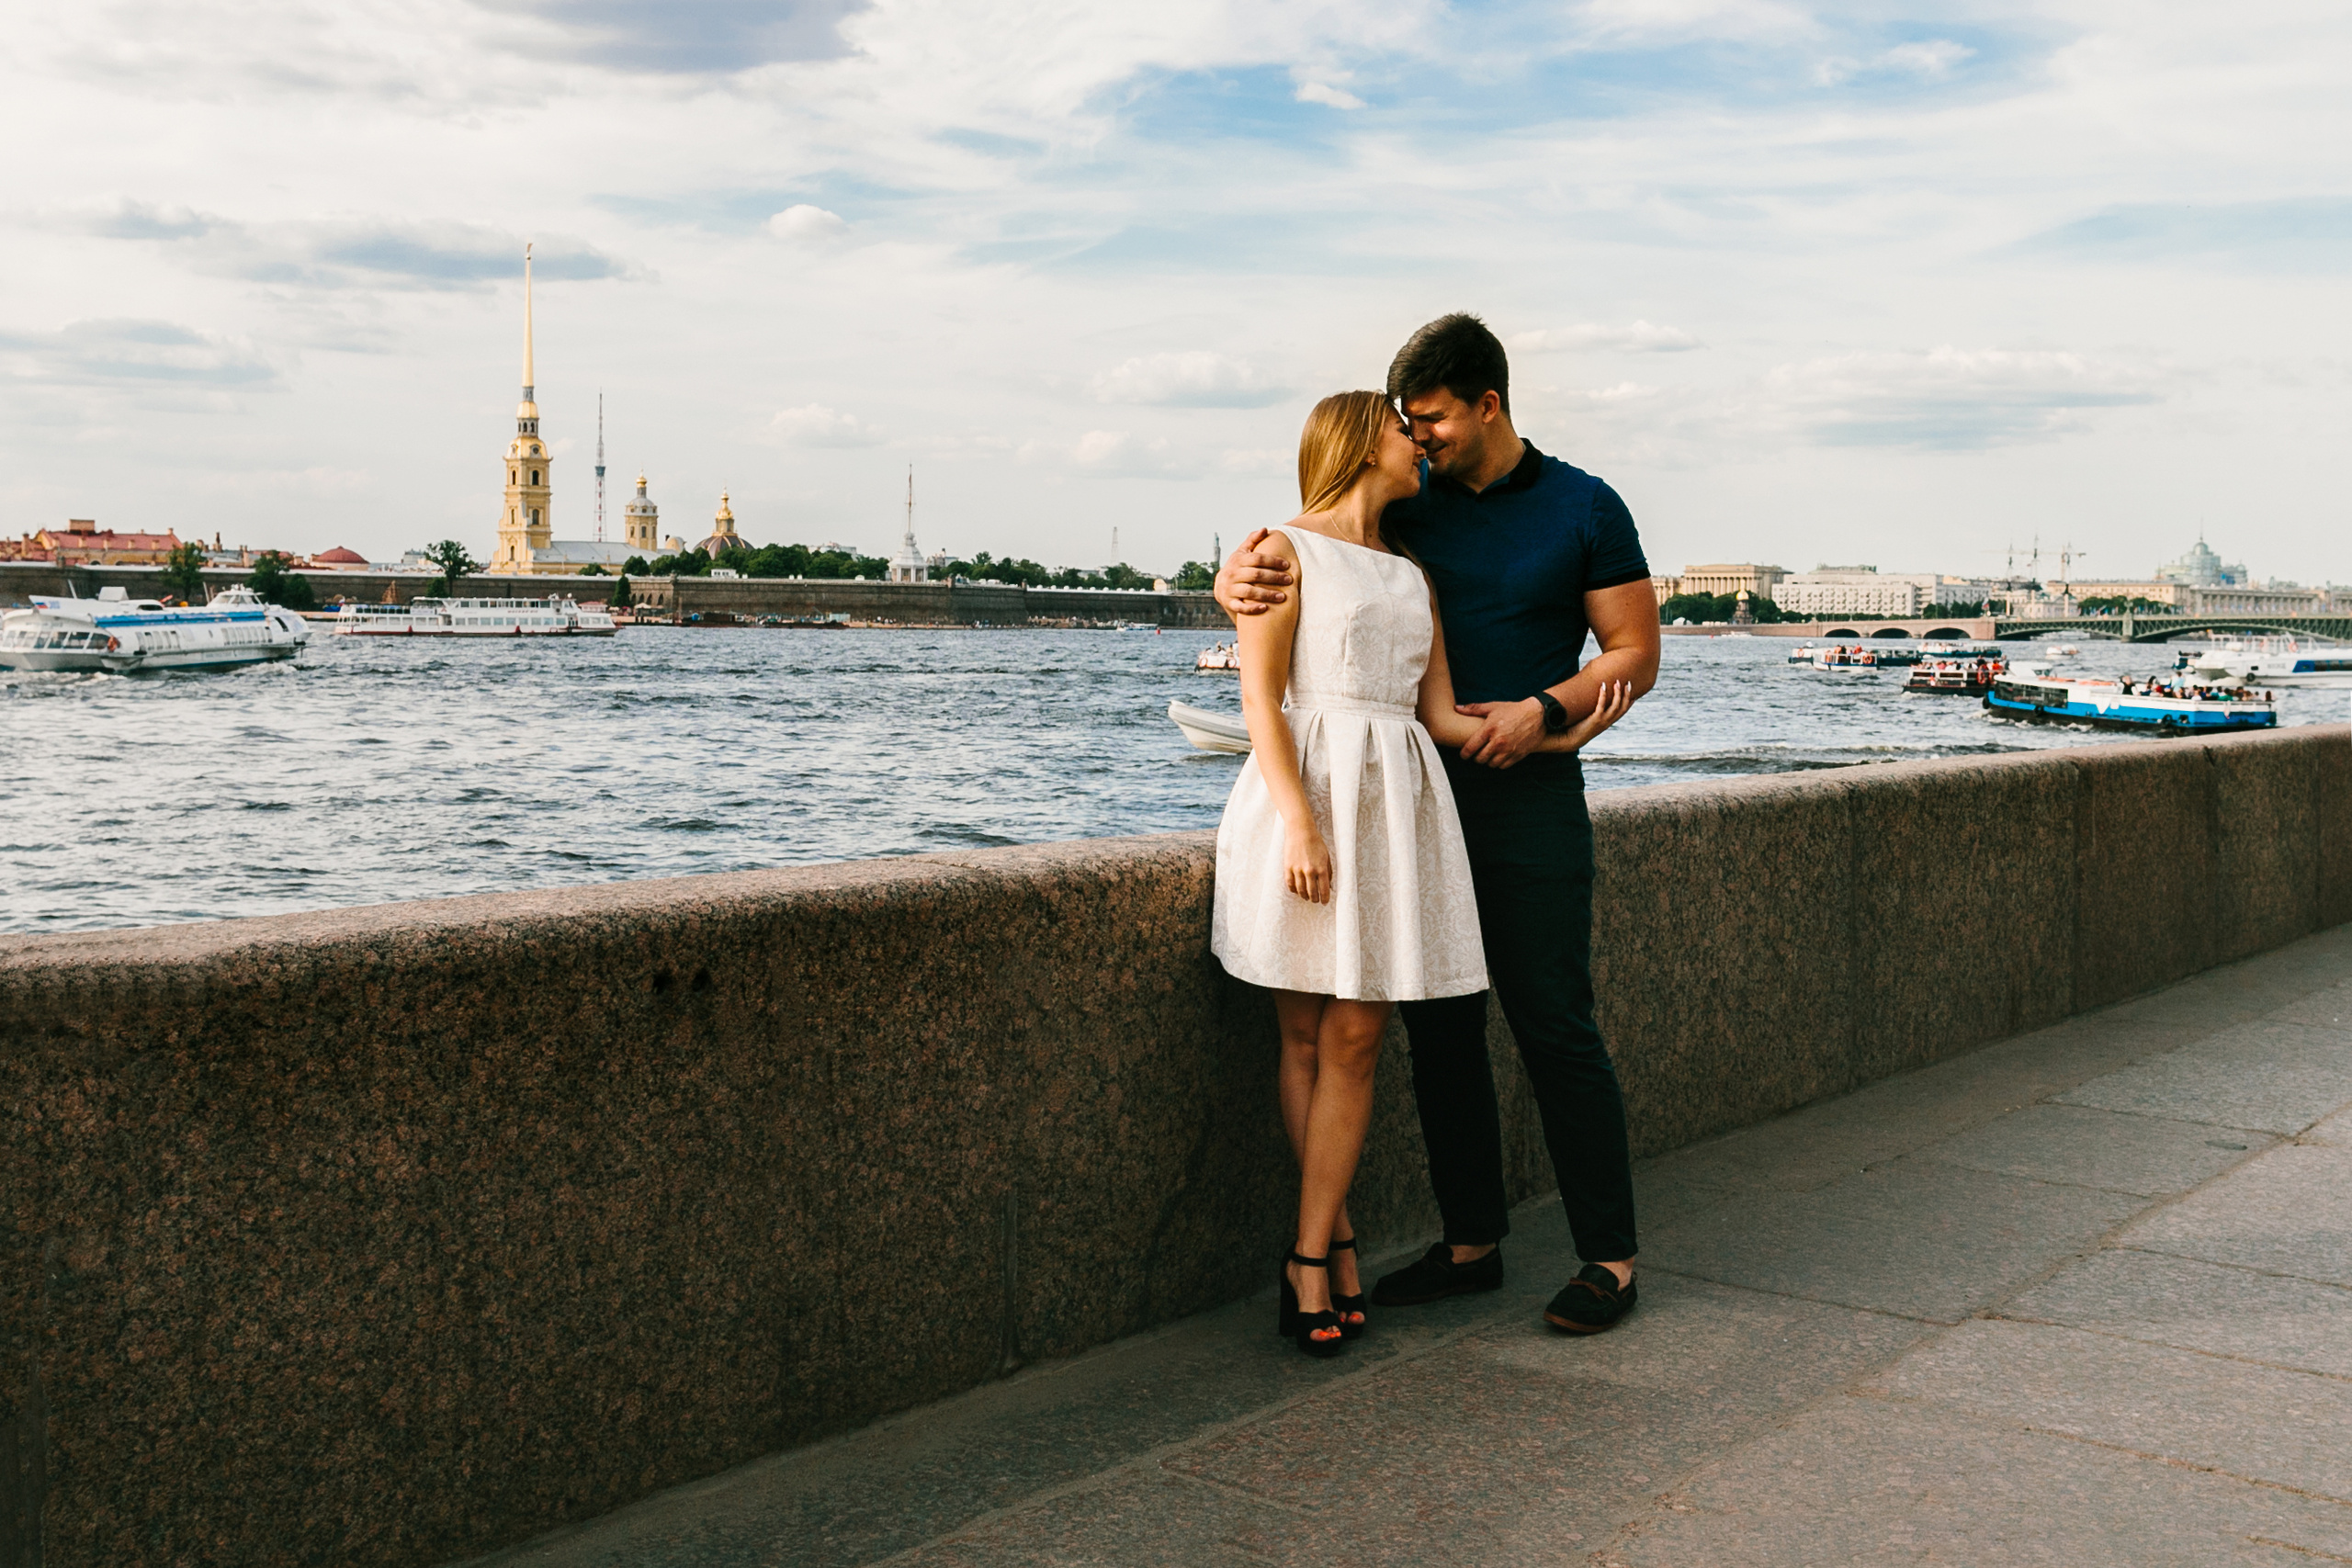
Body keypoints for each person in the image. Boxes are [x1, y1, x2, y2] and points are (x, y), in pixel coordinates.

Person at [1216, 314, 1663, 1334]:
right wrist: (1227, 578)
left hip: (1528, 793)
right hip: (1403, 802)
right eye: (1406, 426)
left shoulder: (1583, 506)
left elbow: (1632, 653)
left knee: (1553, 1018)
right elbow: (1317, 564)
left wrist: (1544, 711)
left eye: (1434, 421)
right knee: (1439, 1029)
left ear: (1488, 404)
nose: (1420, 440)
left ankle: (1609, 1258)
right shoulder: (1409, 510)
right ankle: (1470, 1245)